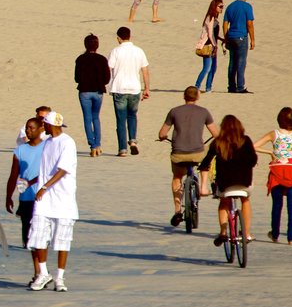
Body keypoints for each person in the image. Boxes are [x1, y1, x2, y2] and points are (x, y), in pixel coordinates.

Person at [28, 111, 78, 292]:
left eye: (45, 125)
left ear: (51, 125)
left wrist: (44, 187)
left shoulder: (67, 143)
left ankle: (60, 277)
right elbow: (44, 170)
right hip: (44, 200)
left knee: (62, 239)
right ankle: (43, 273)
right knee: (38, 235)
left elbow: (62, 170)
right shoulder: (47, 143)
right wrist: (32, 183)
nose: (43, 128)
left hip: (63, 199)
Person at [158, 86, 219, 226]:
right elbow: (216, 134)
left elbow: (162, 133)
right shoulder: (204, 112)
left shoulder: (174, 111)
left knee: (177, 177)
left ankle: (178, 210)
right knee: (206, 162)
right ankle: (203, 186)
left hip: (179, 153)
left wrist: (163, 137)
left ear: (184, 96)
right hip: (197, 153)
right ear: (197, 96)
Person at [199, 115, 258, 246]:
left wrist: (203, 184)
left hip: (225, 184)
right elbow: (253, 160)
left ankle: (223, 233)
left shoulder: (217, 142)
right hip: (244, 182)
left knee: (224, 202)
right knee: (245, 200)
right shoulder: (246, 140)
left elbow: (205, 164)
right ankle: (246, 234)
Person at [253, 107, 292, 245]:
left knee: (277, 205)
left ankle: (275, 234)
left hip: (277, 171)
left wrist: (270, 152)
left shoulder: (274, 134)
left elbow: (254, 146)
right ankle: (291, 238)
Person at [7, 117, 47, 286]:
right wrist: (8, 195)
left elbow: (51, 171)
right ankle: (37, 272)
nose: (28, 131)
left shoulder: (47, 147)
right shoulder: (20, 150)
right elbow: (13, 174)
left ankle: (42, 271)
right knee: (29, 237)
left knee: (40, 236)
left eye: (31, 128)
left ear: (40, 130)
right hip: (25, 198)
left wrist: (32, 182)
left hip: (43, 197)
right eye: (27, 128)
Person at [108, 26, 150, 157]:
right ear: (130, 36)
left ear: (118, 38)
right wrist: (147, 88)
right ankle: (132, 141)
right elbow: (145, 71)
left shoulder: (115, 51)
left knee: (121, 119)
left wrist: (108, 84)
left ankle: (122, 149)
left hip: (119, 88)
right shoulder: (139, 51)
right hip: (134, 88)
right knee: (132, 115)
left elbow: (109, 68)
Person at [74, 33, 110, 157]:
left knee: (87, 118)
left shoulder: (80, 59)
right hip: (98, 91)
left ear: (85, 45)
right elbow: (106, 79)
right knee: (96, 117)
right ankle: (98, 144)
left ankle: (92, 144)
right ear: (97, 45)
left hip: (84, 91)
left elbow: (77, 78)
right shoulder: (102, 59)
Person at [223, 0, 255, 94]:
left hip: (231, 36)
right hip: (241, 37)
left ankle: (231, 86)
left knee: (232, 62)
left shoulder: (230, 7)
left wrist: (226, 37)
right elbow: (249, 24)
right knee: (241, 62)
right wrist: (252, 39)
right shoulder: (247, 7)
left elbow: (225, 24)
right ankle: (240, 86)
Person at [195, 0, 224, 93]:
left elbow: (214, 35)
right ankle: (196, 87)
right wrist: (215, 45)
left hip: (213, 45)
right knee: (207, 68)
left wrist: (221, 39)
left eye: (222, 7)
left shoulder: (214, 18)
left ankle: (208, 88)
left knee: (213, 68)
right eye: (220, 6)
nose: (221, 8)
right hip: (208, 46)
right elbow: (210, 34)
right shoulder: (210, 17)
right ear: (214, 7)